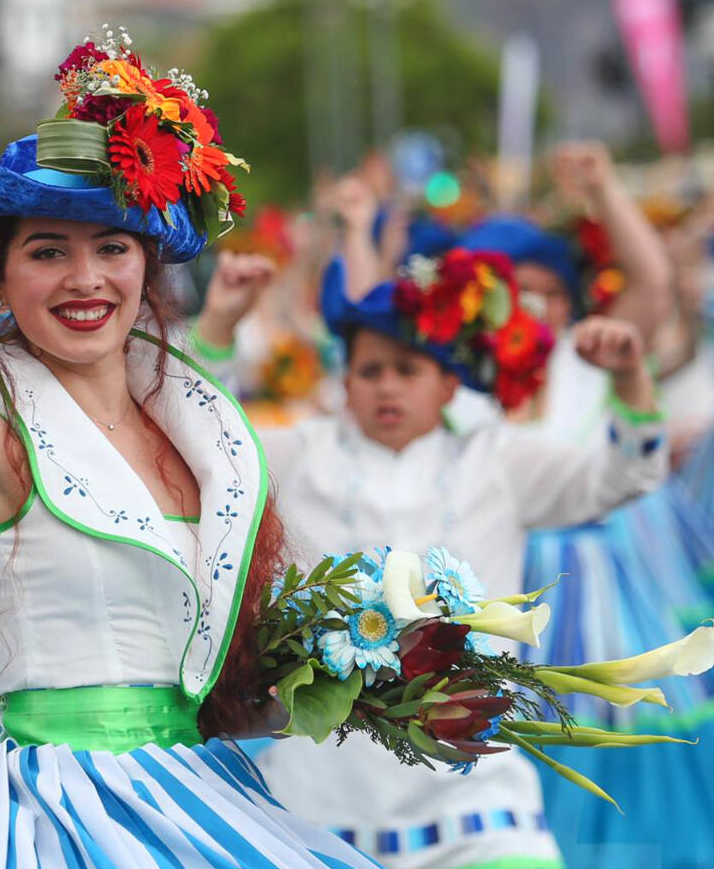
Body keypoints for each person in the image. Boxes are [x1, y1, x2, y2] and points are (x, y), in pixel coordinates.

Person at [0, 63, 383, 866]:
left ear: (147, 264)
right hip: (46, 821)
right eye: (48, 252)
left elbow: (214, 690)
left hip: (197, 803)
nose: (86, 279)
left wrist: (376, 684)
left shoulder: (195, 430)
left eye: (112, 247)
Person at [194, 233, 668, 869]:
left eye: (408, 369)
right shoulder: (299, 455)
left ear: (448, 384)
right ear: (345, 381)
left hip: (475, 793)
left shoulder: (496, 460)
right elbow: (207, 441)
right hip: (324, 788)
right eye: (370, 371)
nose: (387, 388)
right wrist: (220, 322)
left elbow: (624, 475)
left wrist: (630, 378)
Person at [460, 146, 714, 869]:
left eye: (549, 291)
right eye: (517, 290)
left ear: (570, 301)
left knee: (619, 731)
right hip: (503, 586)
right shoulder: (463, 383)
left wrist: (602, 187)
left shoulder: (588, 357)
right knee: (505, 739)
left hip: (603, 587)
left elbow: (653, 283)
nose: (535, 306)